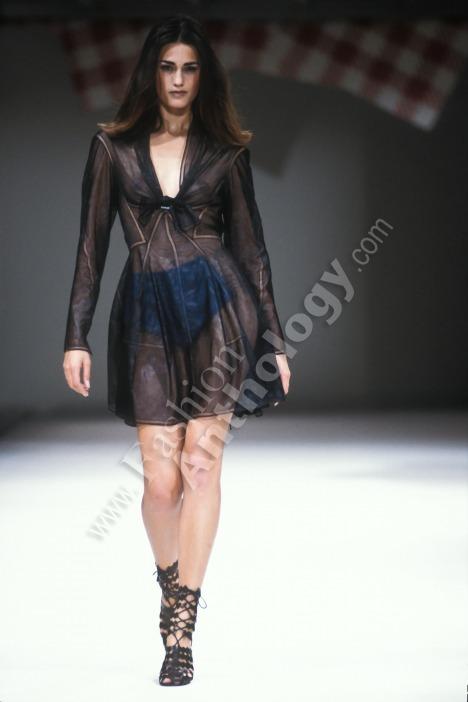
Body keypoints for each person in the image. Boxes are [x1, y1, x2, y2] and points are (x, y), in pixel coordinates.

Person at [62, 13, 291, 686]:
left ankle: (182, 628)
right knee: (160, 484)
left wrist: (275, 337)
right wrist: (75, 335)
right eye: (168, 67)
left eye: (190, 68)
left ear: (204, 76)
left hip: (221, 311)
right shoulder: (112, 149)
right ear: (151, 73)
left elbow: (252, 249)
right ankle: (172, 582)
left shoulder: (226, 151)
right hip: (147, 318)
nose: (179, 80)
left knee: (200, 467)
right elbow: (90, 248)